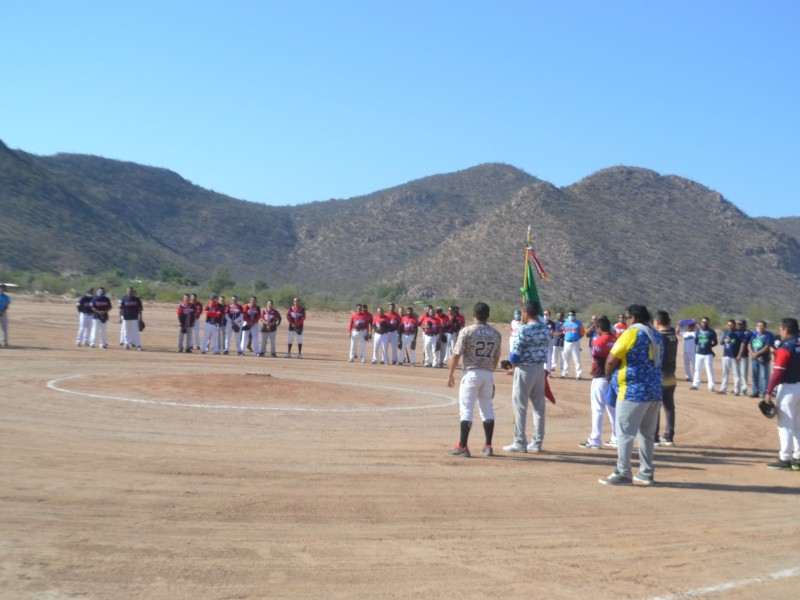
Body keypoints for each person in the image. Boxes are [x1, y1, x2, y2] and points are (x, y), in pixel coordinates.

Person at [599, 304, 663, 486]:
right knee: (647, 435)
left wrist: (609, 378)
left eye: (626, 318)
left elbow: (612, 359)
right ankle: (646, 472)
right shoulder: (656, 334)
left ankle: (623, 471)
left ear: (633, 318)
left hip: (633, 391)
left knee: (625, 433)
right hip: (654, 390)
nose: (625, 321)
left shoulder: (632, 333)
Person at [446, 302, 502, 457]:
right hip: (487, 374)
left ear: (473, 315)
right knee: (487, 409)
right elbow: (496, 356)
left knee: (466, 410)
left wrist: (450, 375)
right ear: (488, 316)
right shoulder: (496, 334)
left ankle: (463, 446)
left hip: (471, 373)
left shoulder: (467, 331)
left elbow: (456, 354)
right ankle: (488, 445)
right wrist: (491, 371)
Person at [502, 300, 551, 454]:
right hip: (539, 370)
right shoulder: (545, 328)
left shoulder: (523, 330)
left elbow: (515, 353)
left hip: (525, 369)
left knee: (520, 406)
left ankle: (520, 441)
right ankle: (537, 442)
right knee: (538, 407)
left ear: (526, 313)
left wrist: (510, 365)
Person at [764, 318, 800, 471]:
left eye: (780, 329)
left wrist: (768, 391)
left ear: (786, 330)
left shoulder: (785, 347)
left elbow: (778, 372)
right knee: (798, 424)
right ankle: (797, 458)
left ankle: (785, 458)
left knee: (785, 424)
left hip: (788, 390)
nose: (780, 332)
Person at [578, 316, 616, 449]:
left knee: (598, 409)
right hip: (613, 378)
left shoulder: (599, 341)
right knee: (612, 409)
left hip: (600, 377)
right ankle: (616, 438)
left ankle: (595, 439)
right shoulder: (615, 339)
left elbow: (599, 361)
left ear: (599, 328)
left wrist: (596, 373)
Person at [653, 310, 678, 446]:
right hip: (671, 376)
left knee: (655, 407)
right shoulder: (673, 336)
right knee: (669, 408)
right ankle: (669, 436)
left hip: (659, 377)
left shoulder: (658, 337)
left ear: (656, 322)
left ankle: (655, 436)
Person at [750, 320, 775, 399]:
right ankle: (755, 391)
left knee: (764, 376)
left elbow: (767, 346)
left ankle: (764, 392)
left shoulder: (769, 335)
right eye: (758, 325)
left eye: (761, 326)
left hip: (763, 358)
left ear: (765, 327)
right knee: (755, 375)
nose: (760, 327)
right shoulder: (754, 334)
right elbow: (749, 344)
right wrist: (752, 353)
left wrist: (757, 354)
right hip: (754, 358)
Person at [690, 317, 717, 391]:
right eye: (702, 322)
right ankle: (695, 385)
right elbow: (696, 341)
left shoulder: (711, 332)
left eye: (705, 322)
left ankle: (711, 386)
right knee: (697, 369)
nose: (704, 323)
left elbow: (715, 342)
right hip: (699, 353)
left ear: (708, 323)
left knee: (709, 370)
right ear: (701, 323)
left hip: (708, 354)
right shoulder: (698, 331)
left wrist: (709, 346)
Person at [719, 319, 743, 395]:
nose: (728, 326)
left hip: (734, 355)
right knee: (725, 373)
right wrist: (725, 340)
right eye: (728, 325)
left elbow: (742, 344)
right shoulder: (726, 333)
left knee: (736, 373)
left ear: (734, 325)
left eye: (730, 325)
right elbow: (721, 342)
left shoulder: (739, 333)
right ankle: (723, 389)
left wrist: (739, 354)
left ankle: (736, 390)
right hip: (726, 355)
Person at [561, 309, 585, 380]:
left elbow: (582, 333)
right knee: (565, 358)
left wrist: (577, 338)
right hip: (566, 342)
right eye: (569, 315)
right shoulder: (565, 323)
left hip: (575, 343)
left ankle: (579, 375)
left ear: (575, 315)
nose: (570, 316)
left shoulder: (579, 323)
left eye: (572, 315)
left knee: (577, 359)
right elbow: (564, 331)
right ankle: (564, 374)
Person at [736, 319, 753, 397]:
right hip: (735, 355)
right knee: (736, 373)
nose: (739, 325)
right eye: (738, 324)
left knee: (744, 373)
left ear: (744, 325)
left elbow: (745, 344)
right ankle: (737, 388)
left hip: (744, 355)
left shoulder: (748, 333)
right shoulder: (737, 332)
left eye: (740, 324)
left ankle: (744, 389)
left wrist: (740, 354)